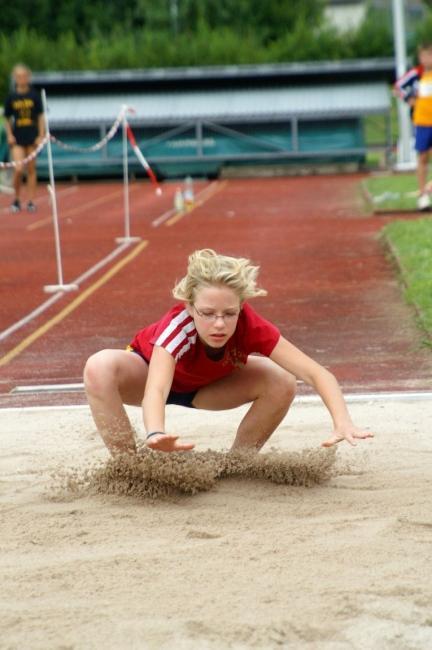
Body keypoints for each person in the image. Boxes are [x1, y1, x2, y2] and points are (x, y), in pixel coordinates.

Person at [84, 249, 374, 455]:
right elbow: (156, 391)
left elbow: (315, 372)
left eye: (229, 313)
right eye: (208, 313)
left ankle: (238, 464)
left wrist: (342, 421)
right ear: (189, 307)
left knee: (282, 379)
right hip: (148, 379)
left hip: (207, 389)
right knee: (98, 367)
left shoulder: (250, 325)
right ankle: (129, 468)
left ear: (241, 307)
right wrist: (156, 433)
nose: (219, 324)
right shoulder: (177, 327)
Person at [395, 41, 432, 211]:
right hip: (422, 123)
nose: (427, 59)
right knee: (422, 157)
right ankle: (423, 195)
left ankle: (428, 188)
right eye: (424, 56)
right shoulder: (416, 74)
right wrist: (408, 98)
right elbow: (398, 87)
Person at [3, 64, 45, 214]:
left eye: (24, 76)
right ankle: (16, 198)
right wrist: (9, 134)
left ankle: (32, 201)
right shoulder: (11, 97)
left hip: (32, 136)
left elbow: (40, 116)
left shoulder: (34, 96)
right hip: (18, 137)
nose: (22, 79)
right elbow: (7, 118)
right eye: (19, 76)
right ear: (15, 78)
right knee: (19, 169)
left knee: (32, 169)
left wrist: (41, 134)